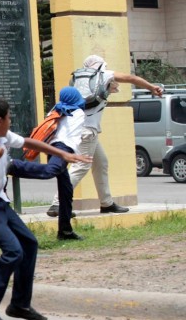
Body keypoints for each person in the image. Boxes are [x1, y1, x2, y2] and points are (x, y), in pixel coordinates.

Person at [0, 97, 91, 320]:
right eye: (9, 117)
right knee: (13, 252)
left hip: (0, 203)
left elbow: (28, 141)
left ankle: (19, 304)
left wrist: (61, 155)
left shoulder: (1, 136)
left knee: (29, 244)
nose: (11, 120)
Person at [47, 55, 164, 217]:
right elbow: (130, 77)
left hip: (81, 129)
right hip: (87, 131)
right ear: (101, 65)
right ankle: (57, 203)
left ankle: (106, 203)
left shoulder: (78, 79)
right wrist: (151, 87)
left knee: (101, 163)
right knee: (81, 167)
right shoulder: (105, 75)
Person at [8, 87, 87, 241]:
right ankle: (11, 165)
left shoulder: (56, 109)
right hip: (62, 148)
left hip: (52, 148)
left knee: (66, 189)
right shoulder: (78, 112)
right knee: (50, 171)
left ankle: (65, 231)